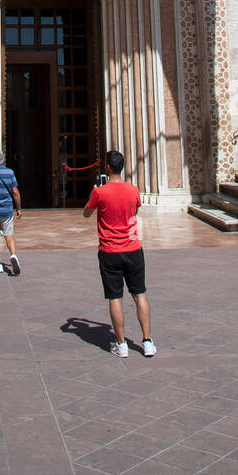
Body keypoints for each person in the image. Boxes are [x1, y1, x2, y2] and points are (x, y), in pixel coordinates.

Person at [83, 150, 155, 359]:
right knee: (139, 294)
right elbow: (135, 212)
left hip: (110, 251)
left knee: (115, 297)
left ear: (107, 168)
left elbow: (87, 213)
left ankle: (121, 344)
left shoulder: (100, 192)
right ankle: (147, 341)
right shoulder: (133, 190)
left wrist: (93, 194)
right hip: (133, 249)